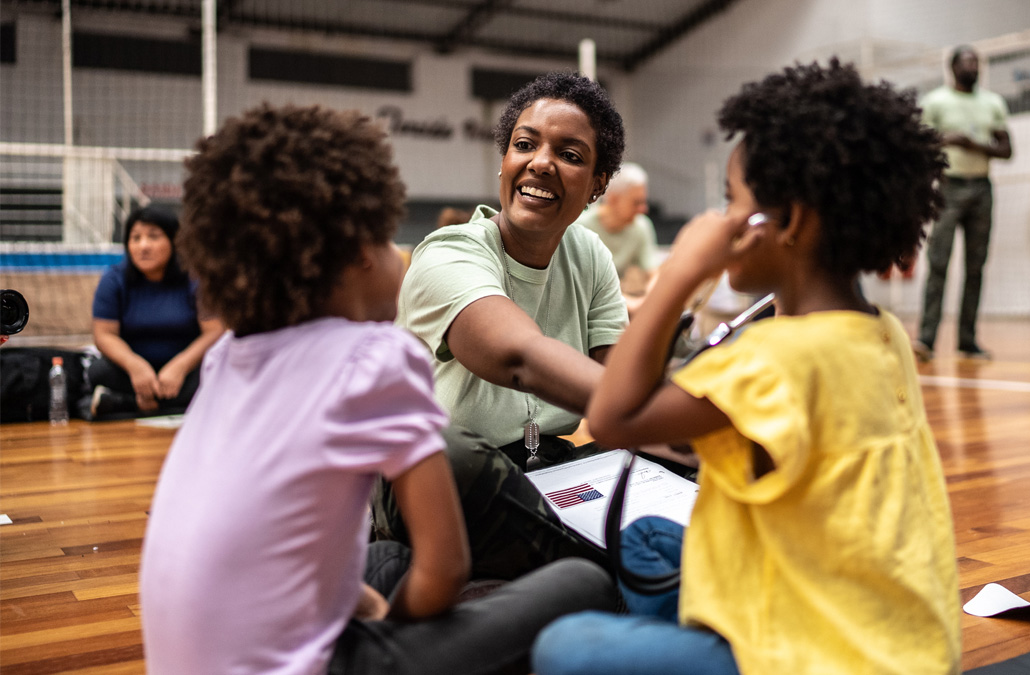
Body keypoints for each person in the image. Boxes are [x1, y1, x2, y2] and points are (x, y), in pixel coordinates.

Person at [139, 103, 616, 675]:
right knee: (584, 583)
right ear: (357, 255)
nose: (401, 254)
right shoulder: (375, 358)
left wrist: (372, 608)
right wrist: (394, 630)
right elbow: (441, 575)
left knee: (386, 559)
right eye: (388, 235)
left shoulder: (226, 358)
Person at [533, 60, 960, 675]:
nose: (720, 219)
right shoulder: (882, 333)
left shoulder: (774, 360)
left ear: (786, 222)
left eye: (732, 202)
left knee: (563, 649)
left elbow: (612, 416)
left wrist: (679, 272)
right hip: (904, 642)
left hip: (828, 660)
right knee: (648, 538)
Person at [376, 71, 630, 580]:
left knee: (650, 459)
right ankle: (590, 569)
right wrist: (654, 408)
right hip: (441, 478)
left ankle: (579, 563)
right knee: (448, 449)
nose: (540, 162)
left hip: (547, 464)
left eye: (571, 155)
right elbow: (519, 357)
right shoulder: (448, 253)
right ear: (504, 162)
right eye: (524, 144)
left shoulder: (590, 255)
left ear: (598, 184)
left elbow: (617, 382)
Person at [914, 45, 1012, 361]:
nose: (973, 66)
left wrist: (973, 144)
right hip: (948, 187)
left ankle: (967, 340)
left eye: (977, 61)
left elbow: (1007, 149)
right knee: (938, 262)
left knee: (976, 266)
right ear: (952, 67)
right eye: (967, 61)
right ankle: (927, 339)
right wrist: (947, 140)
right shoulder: (935, 102)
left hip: (981, 188)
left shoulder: (993, 103)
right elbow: (920, 142)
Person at [85, 204, 223, 419]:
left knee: (218, 372)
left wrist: (180, 366)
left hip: (185, 372)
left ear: (174, 241)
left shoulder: (194, 278)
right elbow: (104, 335)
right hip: (133, 374)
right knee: (98, 371)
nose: (143, 246)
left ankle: (128, 404)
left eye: (154, 237)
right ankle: (172, 405)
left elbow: (214, 331)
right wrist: (135, 366)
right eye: (136, 238)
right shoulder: (114, 279)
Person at [574, 162, 659, 311]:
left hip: (617, 300)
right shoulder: (580, 227)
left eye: (643, 201)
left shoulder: (641, 226)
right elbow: (582, 287)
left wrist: (650, 300)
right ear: (613, 199)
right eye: (636, 203)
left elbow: (653, 273)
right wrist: (633, 305)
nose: (644, 209)